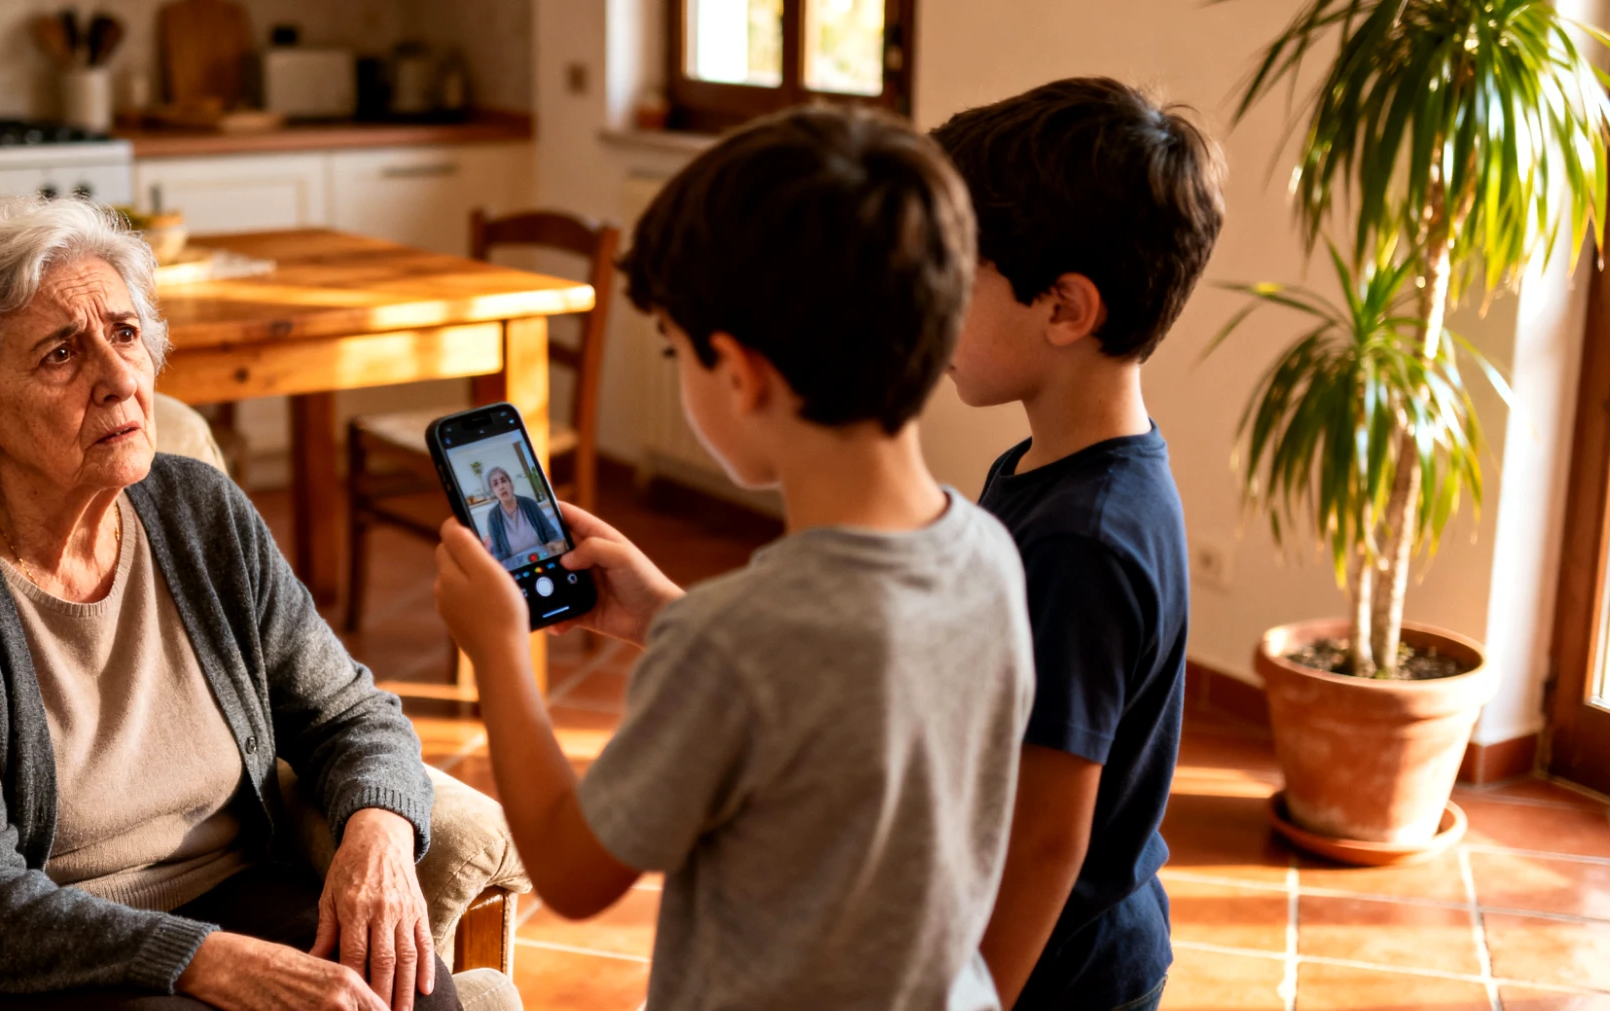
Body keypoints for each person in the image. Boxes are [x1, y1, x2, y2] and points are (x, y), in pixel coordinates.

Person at [432, 105, 1036, 1011]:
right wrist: (664, 615)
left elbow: (571, 866)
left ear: (743, 374)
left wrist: (501, 653)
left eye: (678, 350)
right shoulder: (987, 549)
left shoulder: (735, 644)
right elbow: (840, 689)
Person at [0, 196, 465, 1011]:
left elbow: (351, 715)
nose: (120, 377)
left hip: (219, 897)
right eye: (60, 354)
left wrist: (377, 835)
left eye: (124, 334)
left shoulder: (201, 512)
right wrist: (212, 961)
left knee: (415, 993)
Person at [930, 78, 1226, 1011]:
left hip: (1057, 980)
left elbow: (1047, 842)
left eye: (950, 268)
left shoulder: (1082, 542)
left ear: (1065, 308)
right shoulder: (1052, 474)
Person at [480, 466, 559, 565]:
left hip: (542, 557)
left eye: (503, 481)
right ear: (493, 492)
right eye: (495, 484)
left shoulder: (529, 503)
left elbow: (550, 532)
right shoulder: (493, 516)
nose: (501, 487)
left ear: (511, 484)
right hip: (516, 565)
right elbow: (498, 553)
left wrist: (555, 547)